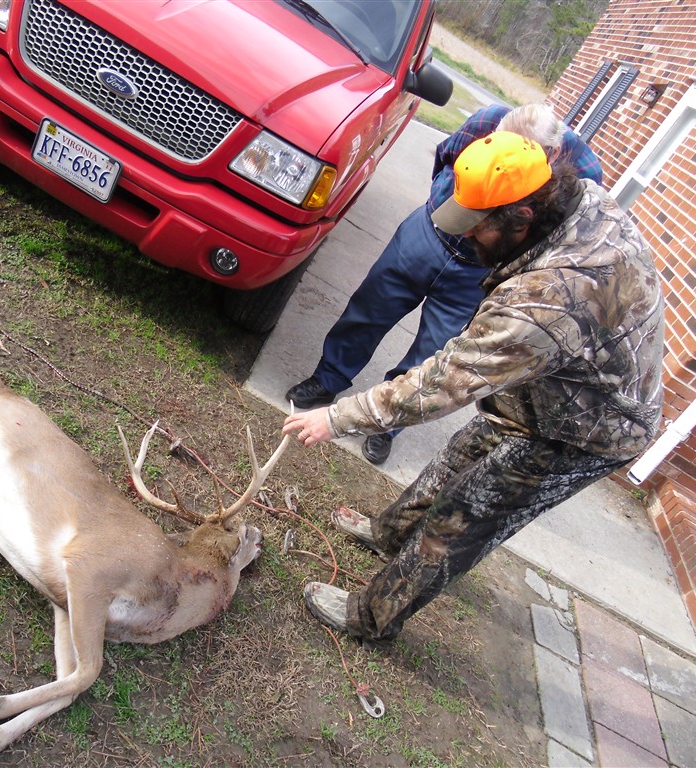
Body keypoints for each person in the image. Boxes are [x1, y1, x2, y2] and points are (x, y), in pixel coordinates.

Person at [280, 131, 665, 642]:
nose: (467, 237)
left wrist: (336, 418)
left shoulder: (546, 303)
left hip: (587, 432)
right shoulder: (578, 199)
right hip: (553, 386)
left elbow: (443, 382)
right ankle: (388, 534)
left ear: (522, 218)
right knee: (458, 456)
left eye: (478, 226)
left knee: (460, 518)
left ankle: (370, 619)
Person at [285, 103, 603, 465]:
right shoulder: (486, 120)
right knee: (369, 310)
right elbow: (446, 157)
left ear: (552, 154)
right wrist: (450, 207)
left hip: (476, 272)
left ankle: (387, 424)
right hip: (427, 235)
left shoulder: (582, 172)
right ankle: (328, 378)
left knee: (432, 351)